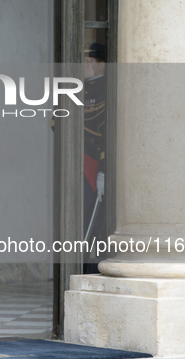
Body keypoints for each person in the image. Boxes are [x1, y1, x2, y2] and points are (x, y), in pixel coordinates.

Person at [83, 42, 107, 274]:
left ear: (102, 66)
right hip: (78, 162)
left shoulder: (105, 91)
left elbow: (107, 134)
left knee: (94, 223)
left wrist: (103, 169)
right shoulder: (78, 89)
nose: (85, 65)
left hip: (93, 163)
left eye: (90, 62)